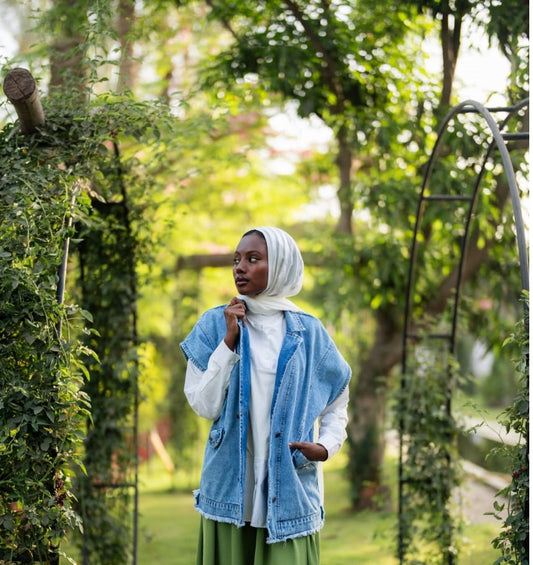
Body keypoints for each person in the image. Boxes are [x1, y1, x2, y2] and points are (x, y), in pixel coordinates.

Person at [181, 227, 351, 565]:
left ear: (282, 266)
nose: (239, 267)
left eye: (253, 259)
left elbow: (337, 401)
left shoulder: (310, 333)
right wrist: (228, 342)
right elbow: (204, 404)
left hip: (290, 489)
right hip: (230, 488)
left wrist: (326, 446)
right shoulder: (214, 324)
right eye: (236, 260)